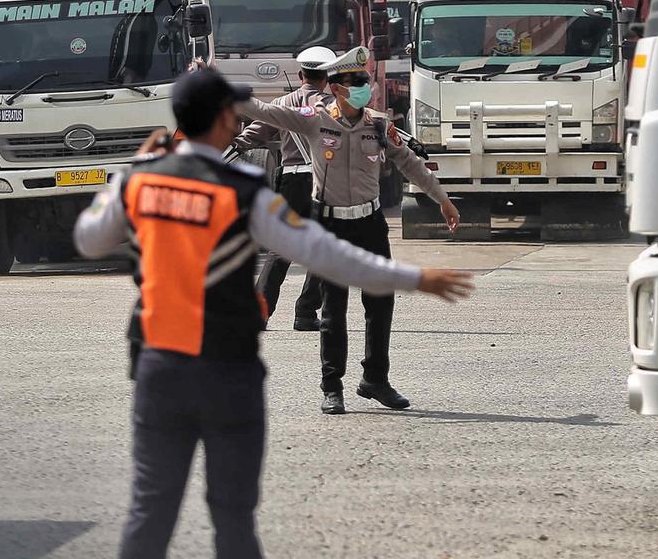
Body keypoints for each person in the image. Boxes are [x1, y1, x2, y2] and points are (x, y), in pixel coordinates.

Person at [73, 67, 474, 559]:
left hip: (160, 365)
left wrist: (129, 176)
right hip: (227, 368)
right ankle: (335, 384)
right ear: (224, 119)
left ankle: (371, 378)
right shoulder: (243, 189)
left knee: (150, 508)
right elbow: (322, 252)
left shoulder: (140, 182)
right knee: (233, 514)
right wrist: (417, 279)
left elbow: (89, 238)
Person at [236, 52, 460, 415]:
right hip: (330, 225)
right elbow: (263, 111)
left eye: (365, 82)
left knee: (379, 303)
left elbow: (411, 165)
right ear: (337, 88)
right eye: (355, 84)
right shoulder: (314, 120)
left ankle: (375, 379)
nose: (364, 89)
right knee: (333, 308)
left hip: (370, 224)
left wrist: (442, 199)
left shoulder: (378, 125)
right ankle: (332, 386)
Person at [230, 47, 334, 331]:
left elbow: (256, 133)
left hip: (290, 180)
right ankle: (305, 312)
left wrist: (235, 144)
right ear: (327, 77)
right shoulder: (334, 105)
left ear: (301, 75)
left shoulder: (281, 103)